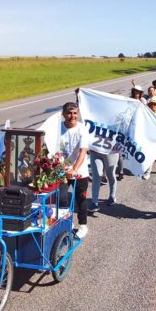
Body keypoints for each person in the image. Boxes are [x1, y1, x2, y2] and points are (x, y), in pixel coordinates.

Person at [59, 102, 90, 238]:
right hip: (61, 170)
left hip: (79, 171)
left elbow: (83, 151)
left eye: (75, 113)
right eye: (69, 113)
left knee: (80, 199)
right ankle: (67, 223)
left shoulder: (82, 129)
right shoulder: (58, 129)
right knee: (62, 198)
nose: (72, 116)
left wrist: (74, 169)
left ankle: (83, 225)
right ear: (64, 114)